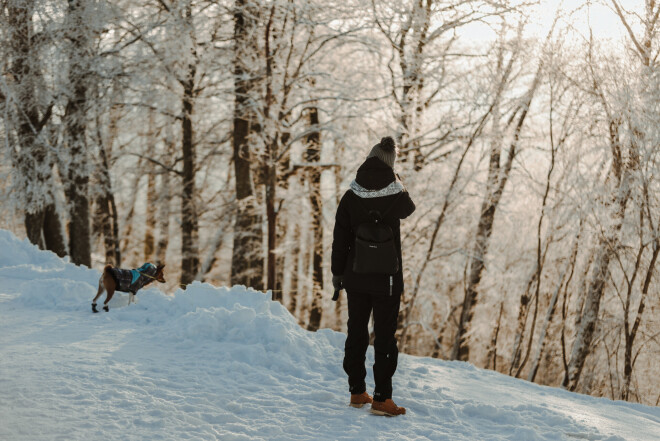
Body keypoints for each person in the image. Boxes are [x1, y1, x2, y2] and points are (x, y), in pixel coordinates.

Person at [331, 136, 416, 416]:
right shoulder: (396, 193)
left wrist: (337, 273)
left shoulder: (351, 194)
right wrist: (396, 178)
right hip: (387, 279)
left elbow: (340, 236)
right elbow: (409, 208)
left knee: (356, 332)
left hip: (355, 275)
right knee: (385, 338)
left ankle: (357, 392)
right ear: (391, 164)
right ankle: (381, 398)